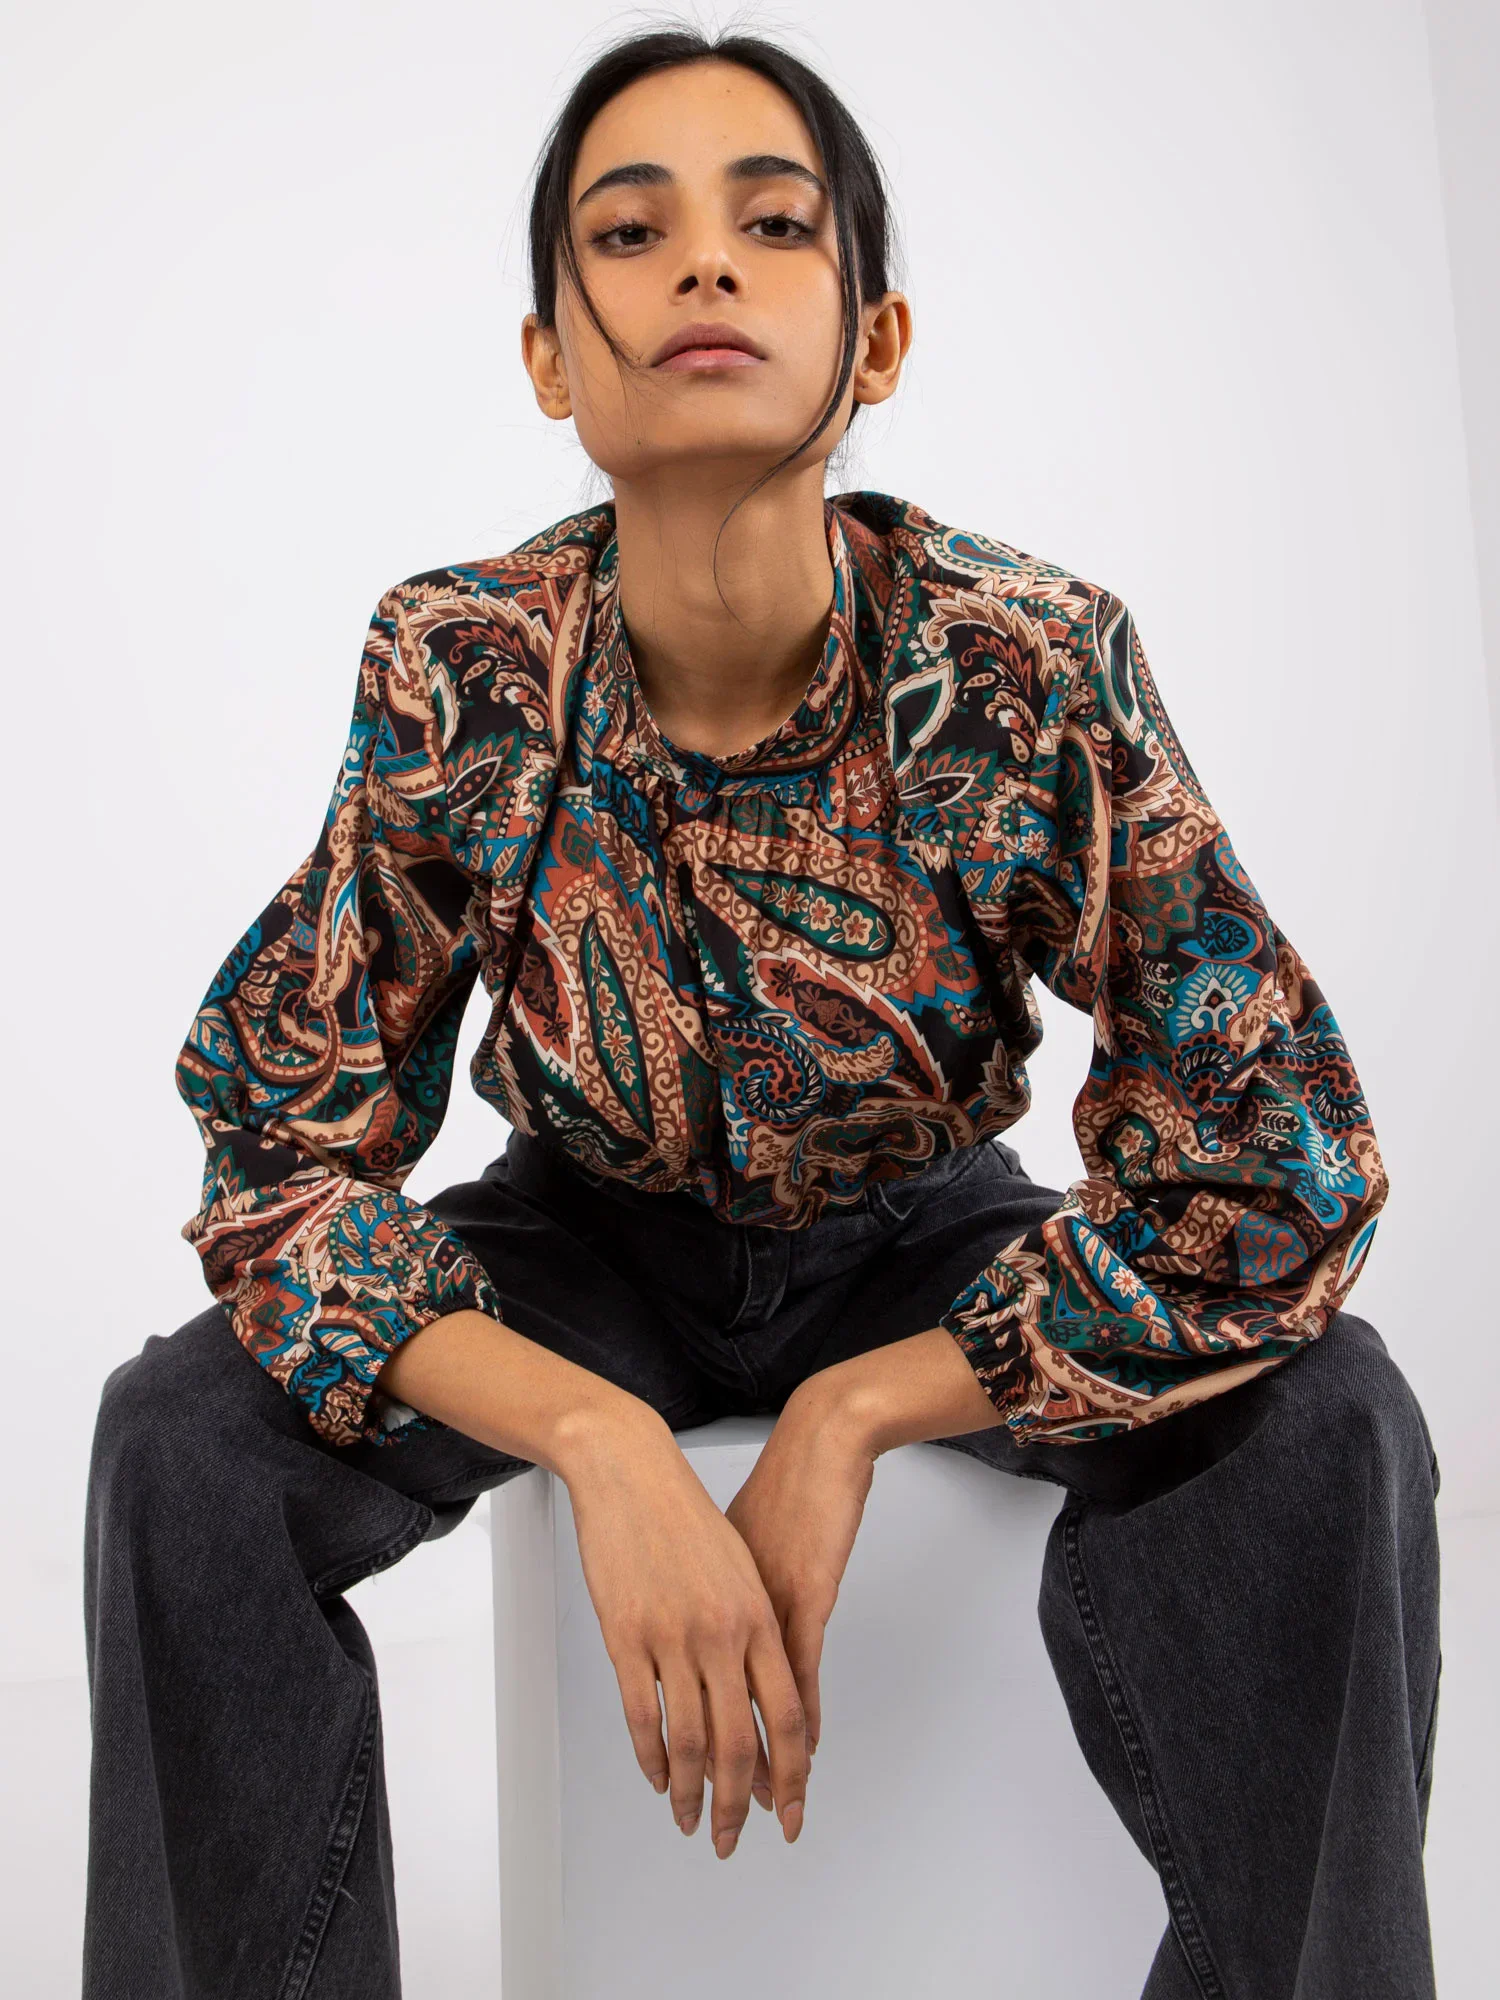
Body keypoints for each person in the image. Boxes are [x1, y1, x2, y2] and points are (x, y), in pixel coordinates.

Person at [82, 26, 1441, 2000]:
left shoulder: (1026, 662)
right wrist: (599, 1439)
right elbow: (280, 1155)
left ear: (874, 339)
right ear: (551, 358)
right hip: (580, 1241)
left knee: (1334, 1422)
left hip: (924, 1236)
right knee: (179, 1445)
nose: (705, 263)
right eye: (629, 232)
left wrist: (854, 1410)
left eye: (775, 224)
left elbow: (1276, 1157)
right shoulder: (462, 666)